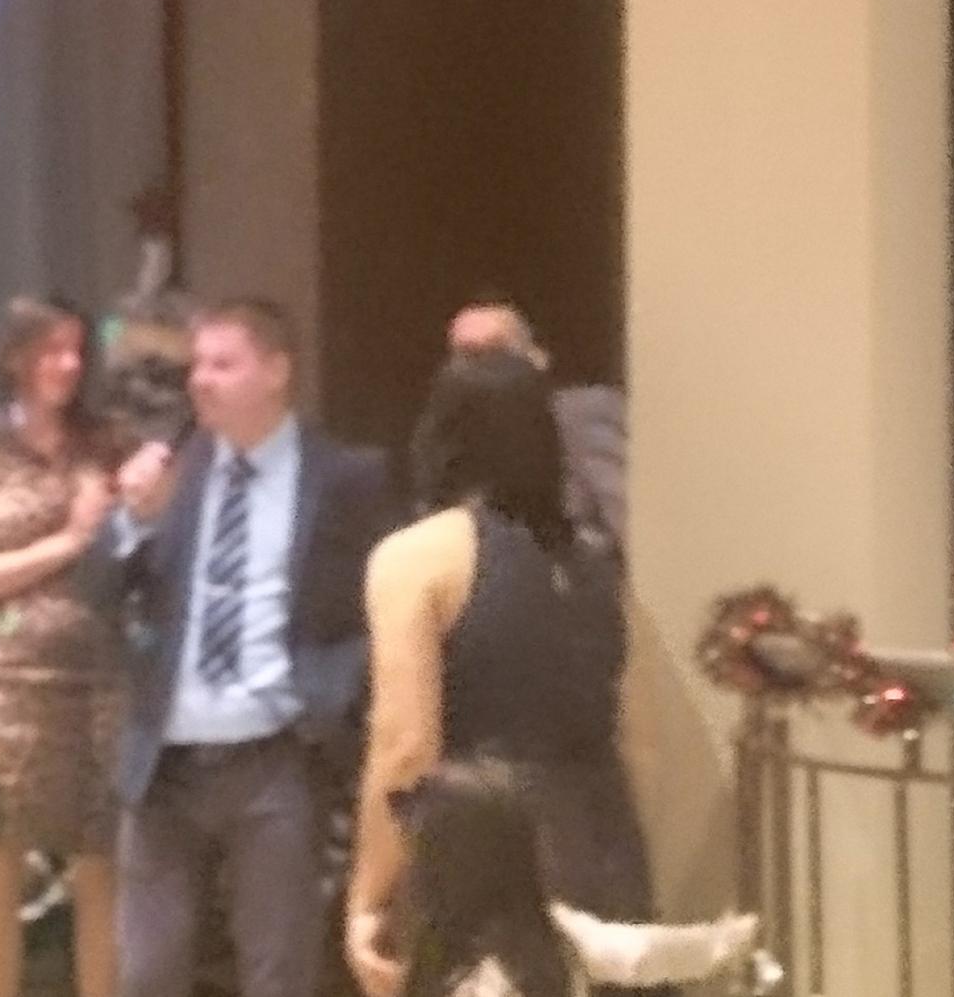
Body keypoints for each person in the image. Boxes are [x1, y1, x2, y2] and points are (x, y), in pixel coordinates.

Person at [347, 350, 661, 997]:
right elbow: (640, 738)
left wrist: (369, 895)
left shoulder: (418, 558)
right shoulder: (596, 566)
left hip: (482, 854)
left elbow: (405, 744)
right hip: (605, 843)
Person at [109, 296, 394, 997]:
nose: (199, 380)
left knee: (278, 970)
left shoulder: (345, 477)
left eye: (222, 364)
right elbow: (96, 592)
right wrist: (132, 521)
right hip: (165, 761)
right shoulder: (169, 471)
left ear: (275, 371)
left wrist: (333, 695)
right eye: (197, 365)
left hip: (277, 758)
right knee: (147, 973)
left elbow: (382, 602)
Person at [0, 295, 121, 997]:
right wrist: (69, 541)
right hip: (4, 684)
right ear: (15, 357)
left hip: (102, 679)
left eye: (76, 350)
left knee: (102, 861)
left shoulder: (103, 442)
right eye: (51, 350)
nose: (68, 364)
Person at [386, 759, 756, 997]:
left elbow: (640, 954)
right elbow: (640, 954)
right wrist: (721, 942)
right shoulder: (552, 936)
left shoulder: (482, 976)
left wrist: (724, 941)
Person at [446, 301, 625, 560]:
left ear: (536, 358)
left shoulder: (581, 416)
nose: (483, 370)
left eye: (496, 353)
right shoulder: (451, 443)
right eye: (468, 356)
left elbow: (633, 526)